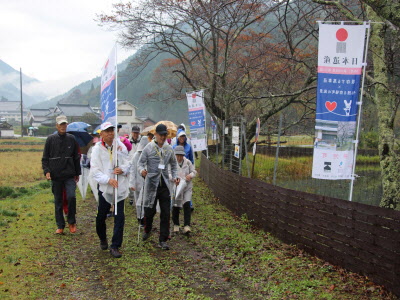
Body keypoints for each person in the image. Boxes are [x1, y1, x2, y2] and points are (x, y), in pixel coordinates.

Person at [90, 122, 130, 258]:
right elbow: (95, 171)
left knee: (120, 217)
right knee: (101, 216)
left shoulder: (120, 146)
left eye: (112, 130)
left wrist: (123, 169)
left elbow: (128, 163)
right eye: (107, 131)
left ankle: (115, 246)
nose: (110, 133)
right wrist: (108, 180)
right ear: (101, 134)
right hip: (105, 187)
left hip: (119, 186)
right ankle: (102, 238)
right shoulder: (97, 149)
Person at [137, 123, 180, 250]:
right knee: (149, 210)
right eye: (160, 135)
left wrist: (175, 176)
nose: (162, 137)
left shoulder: (169, 149)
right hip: (151, 184)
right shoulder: (148, 148)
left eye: (164, 135)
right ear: (155, 135)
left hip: (165, 184)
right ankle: (147, 229)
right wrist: (142, 171)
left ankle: (163, 239)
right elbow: (140, 163)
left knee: (166, 212)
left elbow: (173, 165)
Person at [42, 115, 81, 234]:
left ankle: (72, 222)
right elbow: (45, 158)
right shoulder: (50, 139)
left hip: (69, 174)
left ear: (67, 125)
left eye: (64, 124)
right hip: (56, 175)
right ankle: (60, 225)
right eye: (61, 124)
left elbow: (76, 157)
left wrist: (77, 173)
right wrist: (47, 171)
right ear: (56, 126)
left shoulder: (71, 139)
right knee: (58, 200)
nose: (63, 126)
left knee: (71, 197)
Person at [171, 146, 197, 234]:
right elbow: (168, 173)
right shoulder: (172, 163)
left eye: (181, 156)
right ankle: (176, 224)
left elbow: (194, 172)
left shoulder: (188, 162)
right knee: (176, 206)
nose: (179, 158)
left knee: (187, 205)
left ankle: (187, 225)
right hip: (176, 187)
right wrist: (174, 179)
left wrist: (190, 175)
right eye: (177, 155)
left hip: (186, 187)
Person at [129, 137, 149, 226]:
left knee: (145, 201)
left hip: (147, 181)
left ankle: (145, 218)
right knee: (138, 201)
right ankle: (139, 218)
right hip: (137, 182)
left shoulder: (150, 155)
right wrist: (132, 183)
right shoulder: (135, 156)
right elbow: (132, 170)